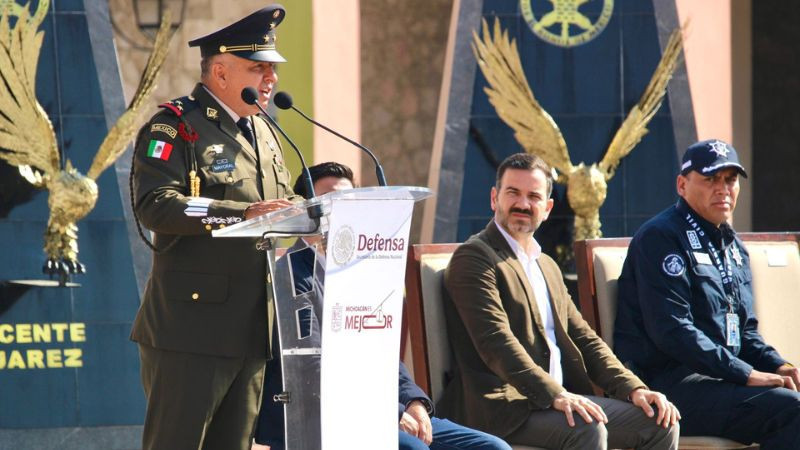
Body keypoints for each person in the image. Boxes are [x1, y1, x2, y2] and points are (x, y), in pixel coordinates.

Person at [130, 5, 300, 449]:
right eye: (258, 68)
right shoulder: (173, 126)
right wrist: (240, 214)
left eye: (272, 69)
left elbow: (277, 203)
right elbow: (155, 205)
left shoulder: (262, 130)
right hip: (192, 330)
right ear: (220, 72)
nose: (271, 79)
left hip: (251, 329)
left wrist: (315, 213)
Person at [253, 162, 512, 450]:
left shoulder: (361, 269)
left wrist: (412, 401)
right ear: (305, 210)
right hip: (322, 417)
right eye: (330, 202)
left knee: (493, 448)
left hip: (381, 409)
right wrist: (391, 411)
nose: (340, 211)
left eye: (348, 202)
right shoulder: (291, 273)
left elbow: (382, 350)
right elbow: (312, 366)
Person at [441, 153, 680, 450]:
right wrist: (554, 394)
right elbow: (495, 342)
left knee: (658, 421)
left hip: (557, 401)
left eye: (533, 196)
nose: (523, 204)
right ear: (494, 198)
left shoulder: (547, 265)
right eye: (513, 193)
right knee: (586, 428)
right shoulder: (475, 258)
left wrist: (633, 388)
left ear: (548, 208)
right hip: (503, 409)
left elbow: (584, 338)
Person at [614, 139, 800, 448]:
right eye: (710, 178)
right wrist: (745, 374)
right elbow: (672, 331)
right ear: (682, 184)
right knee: (793, 411)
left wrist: (778, 365)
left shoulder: (734, 247)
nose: (723, 188)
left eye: (730, 179)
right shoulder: (660, 238)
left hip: (720, 380)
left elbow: (746, 332)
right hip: (671, 385)